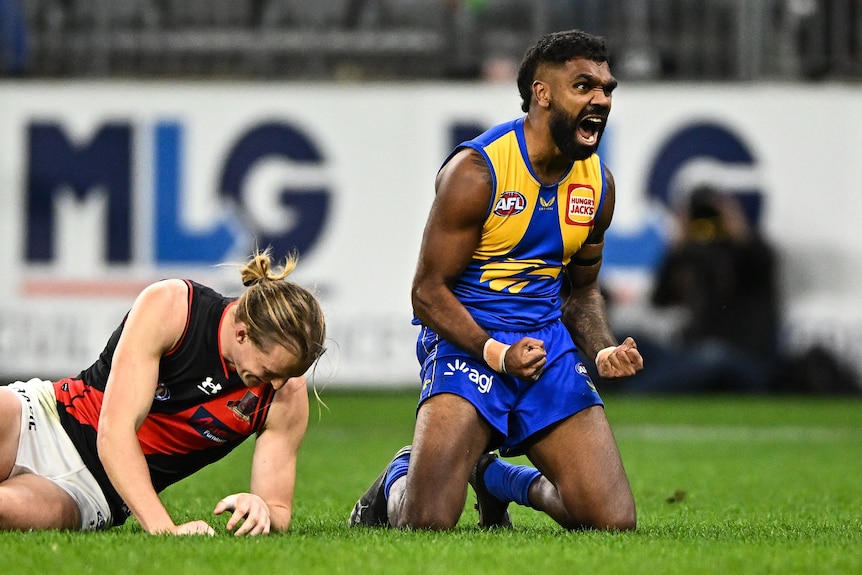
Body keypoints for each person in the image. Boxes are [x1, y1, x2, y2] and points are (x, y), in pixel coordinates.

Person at [349, 29, 643, 532]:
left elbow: (583, 293)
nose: (601, 99)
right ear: (542, 94)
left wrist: (600, 350)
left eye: (607, 88)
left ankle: (498, 480)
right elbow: (426, 293)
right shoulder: (477, 172)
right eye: (584, 85)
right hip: (470, 346)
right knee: (427, 522)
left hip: (546, 347)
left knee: (610, 521)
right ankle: (396, 480)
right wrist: (495, 353)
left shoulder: (599, 185)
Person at [0, 248, 326, 535]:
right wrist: (165, 528)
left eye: (290, 375)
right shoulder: (172, 308)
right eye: (271, 372)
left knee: (7, 509)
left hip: (93, 492)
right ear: (242, 335)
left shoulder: (286, 396)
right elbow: (115, 433)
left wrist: (260, 508)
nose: (279, 385)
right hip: (43, 416)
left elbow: (278, 510)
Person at [614, 185, 780, 394]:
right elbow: (659, 299)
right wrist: (679, 243)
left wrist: (734, 224)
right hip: (693, 354)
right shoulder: (694, 256)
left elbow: (759, 257)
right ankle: (587, 389)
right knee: (628, 341)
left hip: (747, 359)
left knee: (710, 356)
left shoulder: (753, 255)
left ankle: (632, 394)